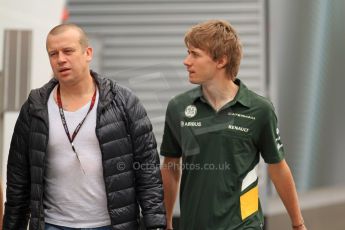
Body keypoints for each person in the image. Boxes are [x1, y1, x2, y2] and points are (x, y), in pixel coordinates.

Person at [3, 23, 166, 230]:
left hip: (111, 225)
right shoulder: (35, 107)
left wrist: (156, 226)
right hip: (54, 224)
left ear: (87, 53)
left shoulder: (123, 102)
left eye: (68, 51)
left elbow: (148, 171)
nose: (61, 59)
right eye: (53, 54)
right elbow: (18, 177)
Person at [160, 19, 307, 230]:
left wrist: (298, 223)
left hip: (243, 224)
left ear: (220, 61)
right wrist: (166, 221)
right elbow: (171, 166)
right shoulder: (179, 107)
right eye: (188, 53)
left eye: (195, 54)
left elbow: (277, 167)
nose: (186, 61)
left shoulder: (260, 109)